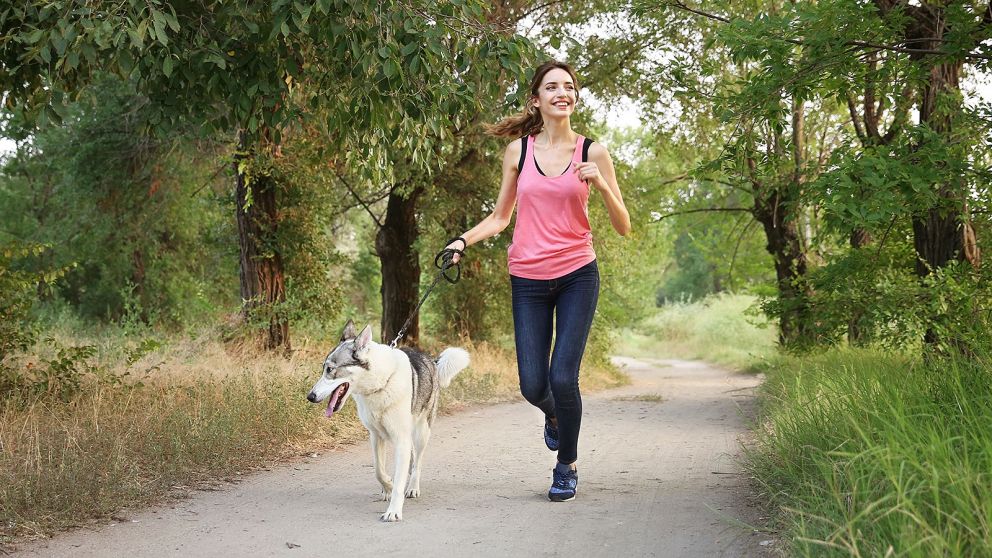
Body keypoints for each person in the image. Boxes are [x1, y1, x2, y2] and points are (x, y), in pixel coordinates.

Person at [443, 60, 631, 502]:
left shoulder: (592, 152)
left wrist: (601, 185)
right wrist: (460, 241)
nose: (561, 92)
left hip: (577, 275)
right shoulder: (519, 152)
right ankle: (554, 416)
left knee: (563, 377)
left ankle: (566, 465)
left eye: (568, 86)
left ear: (575, 98)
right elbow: (500, 217)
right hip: (527, 278)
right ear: (536, 99)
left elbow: (624, 225)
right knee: (532, 385)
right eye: (551, 87)